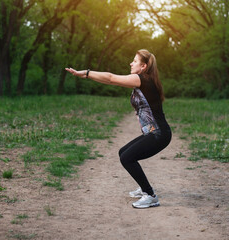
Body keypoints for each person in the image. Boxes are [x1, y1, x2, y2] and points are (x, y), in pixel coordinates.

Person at [65, 49, 172, 209]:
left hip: (159, 134)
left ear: (143, 66)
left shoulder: (142, 79)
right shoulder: (145, 80)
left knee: (127, 158)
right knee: (123, 153)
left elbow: (110, 78)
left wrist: (86, 73)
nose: (131, 63)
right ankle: (144, 189)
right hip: (154, 132)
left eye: (134, 61)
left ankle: (150, 195)